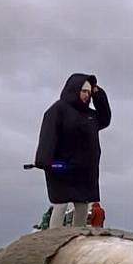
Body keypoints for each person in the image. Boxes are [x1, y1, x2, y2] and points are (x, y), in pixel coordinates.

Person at [35, 73, 111, 229]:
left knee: (82, 205)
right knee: (61, 205)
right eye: (84, 91)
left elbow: (105, 118)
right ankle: (53, 239)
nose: (86, 95)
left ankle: (77, 238)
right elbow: (48, 137)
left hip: (84, 170)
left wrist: (98, 93)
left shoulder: (90, 115)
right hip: (61, 167)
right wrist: (47, 162)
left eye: (89, 93)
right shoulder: (58, 109)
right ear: (74, 89)